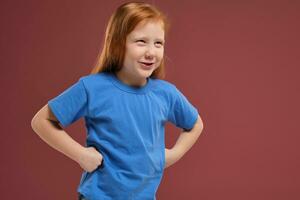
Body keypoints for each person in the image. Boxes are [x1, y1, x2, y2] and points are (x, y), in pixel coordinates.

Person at [31, 2, 204, 200]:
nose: (151, 52)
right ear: (117, 43)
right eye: (141, 41)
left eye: (158, 43)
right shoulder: (93, 88)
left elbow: (196, 124)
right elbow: (41, 121)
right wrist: (80, 154)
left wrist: (173, 154)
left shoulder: (166, 94)